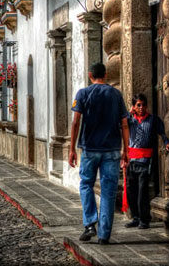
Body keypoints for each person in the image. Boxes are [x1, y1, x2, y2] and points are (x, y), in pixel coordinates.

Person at [68, 63, 129, 245]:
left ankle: (89, 224)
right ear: (106, 75)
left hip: (89, 148)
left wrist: (72, 148)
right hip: (111, 150)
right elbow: (124, 124)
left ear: (90, 75)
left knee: (86, 184)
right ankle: (104, 234)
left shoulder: (83, 94)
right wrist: (126, 149)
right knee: (108, 191)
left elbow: (76, 122)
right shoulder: (116, 94)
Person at [123, 93, 169, 229]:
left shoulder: (153, 120)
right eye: (138, 105)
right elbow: (118, 122)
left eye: (143, 105)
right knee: (132, 191)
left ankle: (144, 219)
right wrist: (129, 113)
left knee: (142, 192)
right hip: (132, 161)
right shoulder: (130, 121)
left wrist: (166, 142)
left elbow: (162, 132)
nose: (141, 107)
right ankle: (136, 218)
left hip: (145, 161)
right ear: (134, 107)